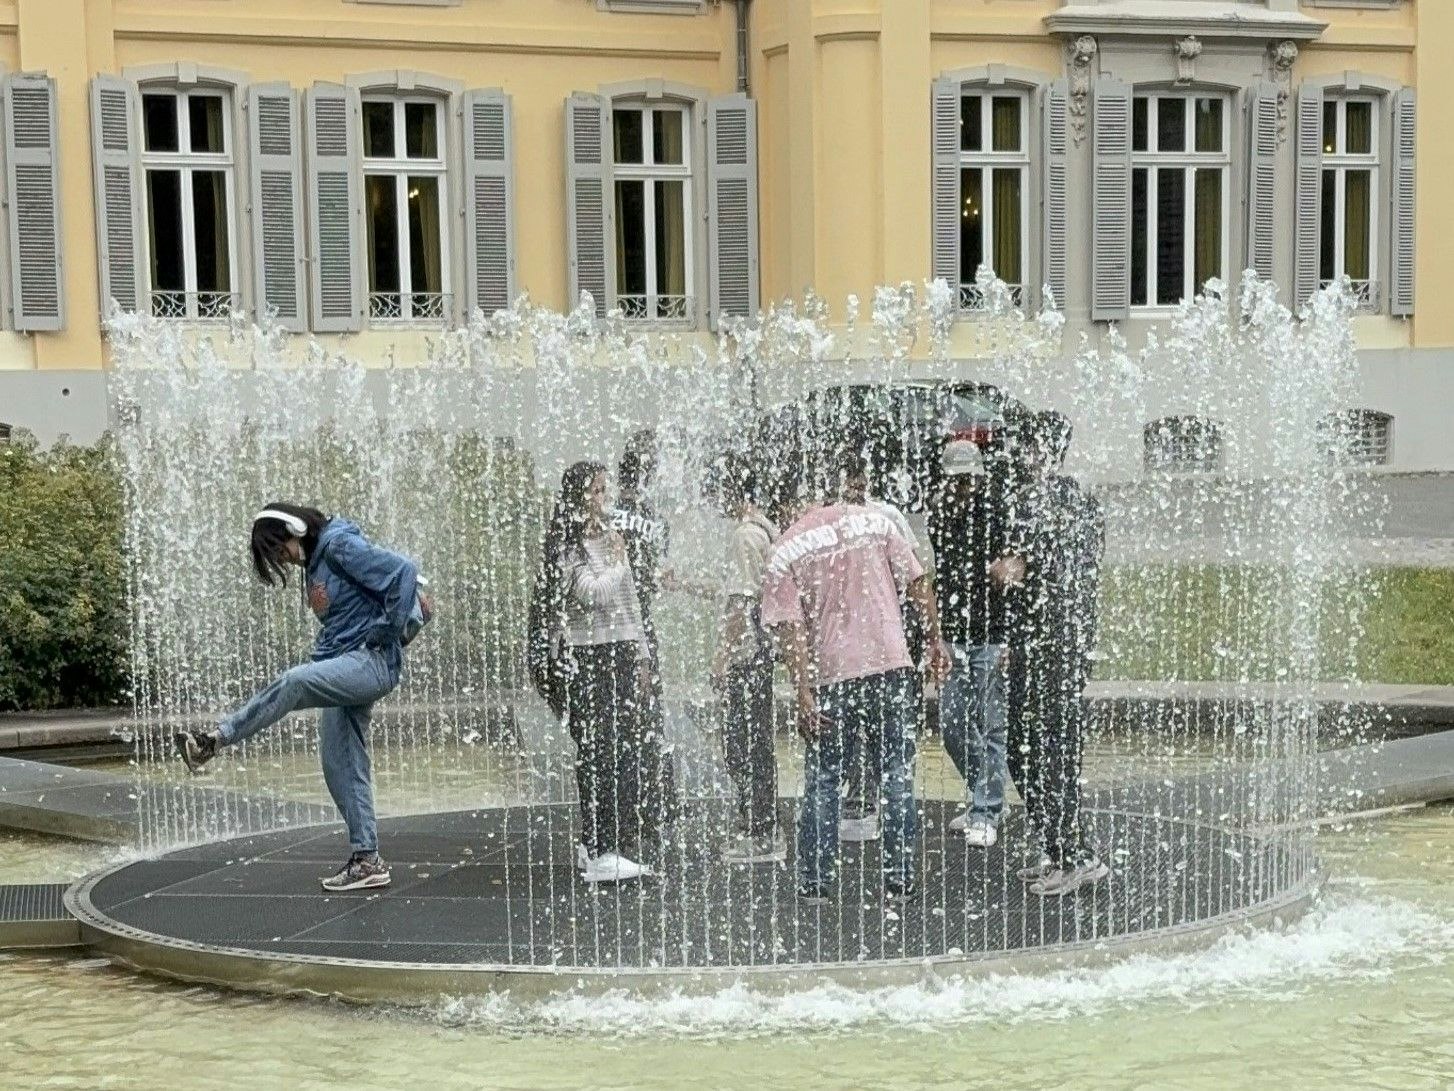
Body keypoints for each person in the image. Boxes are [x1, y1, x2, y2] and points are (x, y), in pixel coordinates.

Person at [173, 504, 421, 892]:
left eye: (279, 548)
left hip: (371, 663)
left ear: (296, 528)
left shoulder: (339, 547)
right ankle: (366, 861)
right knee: (339, 763)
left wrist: (384, 632)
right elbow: (341, 624)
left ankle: (214, 740)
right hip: (347, 665)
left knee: (294, 682)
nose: (282, 559)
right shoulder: (316, 564)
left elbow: (403, 572)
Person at [761, 493, 951, 905]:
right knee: (896, 775)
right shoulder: (876, 523)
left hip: (833, 676)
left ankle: (815, 885)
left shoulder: (787, 547)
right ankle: (899, 883)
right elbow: (918, 582)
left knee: (825, 780)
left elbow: (790, 628)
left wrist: (804, 691)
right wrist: (935, 641)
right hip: (891, 664)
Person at [1001, 411, 1109, 897]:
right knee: (1052, 748)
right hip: (1070, 639)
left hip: (1045, 642)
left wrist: (998, 569)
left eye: (1025, 448)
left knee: (1033, 750)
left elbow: (1014, 572)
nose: (1020, 457)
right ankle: (1058, 849)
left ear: (1037, 450)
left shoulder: (1030, 502)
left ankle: (1074, 857)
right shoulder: (1084, 500)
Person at [535, 460, 659, 883]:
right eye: (595, 491)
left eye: (604, 490)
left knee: (619, 749)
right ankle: (599, 847)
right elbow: (592, 596)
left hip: (620, 653)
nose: (603, 499)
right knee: (597, 749)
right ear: (577, 496)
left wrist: (642, 655)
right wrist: (621, 560)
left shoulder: (611, 539)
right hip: (588, 656)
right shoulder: (567, 546)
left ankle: (603, 844)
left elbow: (630, 605)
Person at [834, 449, 932, 844]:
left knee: (888, 725)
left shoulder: (887, 516)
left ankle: (889, 809)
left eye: (861, 479)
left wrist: (924, 634)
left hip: (890, 633)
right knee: (853, 723)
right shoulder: (829, 519)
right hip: (846, 637)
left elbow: (914, 573)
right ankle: (861, 802)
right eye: (850, 480)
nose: (856, 486)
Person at [927, 439, 1014, 848]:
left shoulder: (997, 513)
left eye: (969, 481)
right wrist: (936, 635)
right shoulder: (940, 515)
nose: (963, 488)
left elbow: (1013, 574)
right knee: (952, 725)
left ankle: (987, 809)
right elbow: (942, 578)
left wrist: (1012, 636)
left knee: (993, 727)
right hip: (954, 635)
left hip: (991, 633)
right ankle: (986, 796)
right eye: (956, 482)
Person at [703, 452, 783, 864]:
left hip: (746, 654)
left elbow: (741, 601)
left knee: (741, 744)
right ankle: (761, 821)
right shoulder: (764, 529)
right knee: (755, 740)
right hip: (761, 651)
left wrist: (721, 658)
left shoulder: (744, 536)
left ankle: (759, 828)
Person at [611, 429, 680, 832]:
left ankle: (625, 804)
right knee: (650, 713)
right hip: (642, 627)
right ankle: (657, 804)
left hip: (610, 625)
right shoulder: (656, 519)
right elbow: (657, 578)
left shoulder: (603, 514)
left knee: (617, 715)